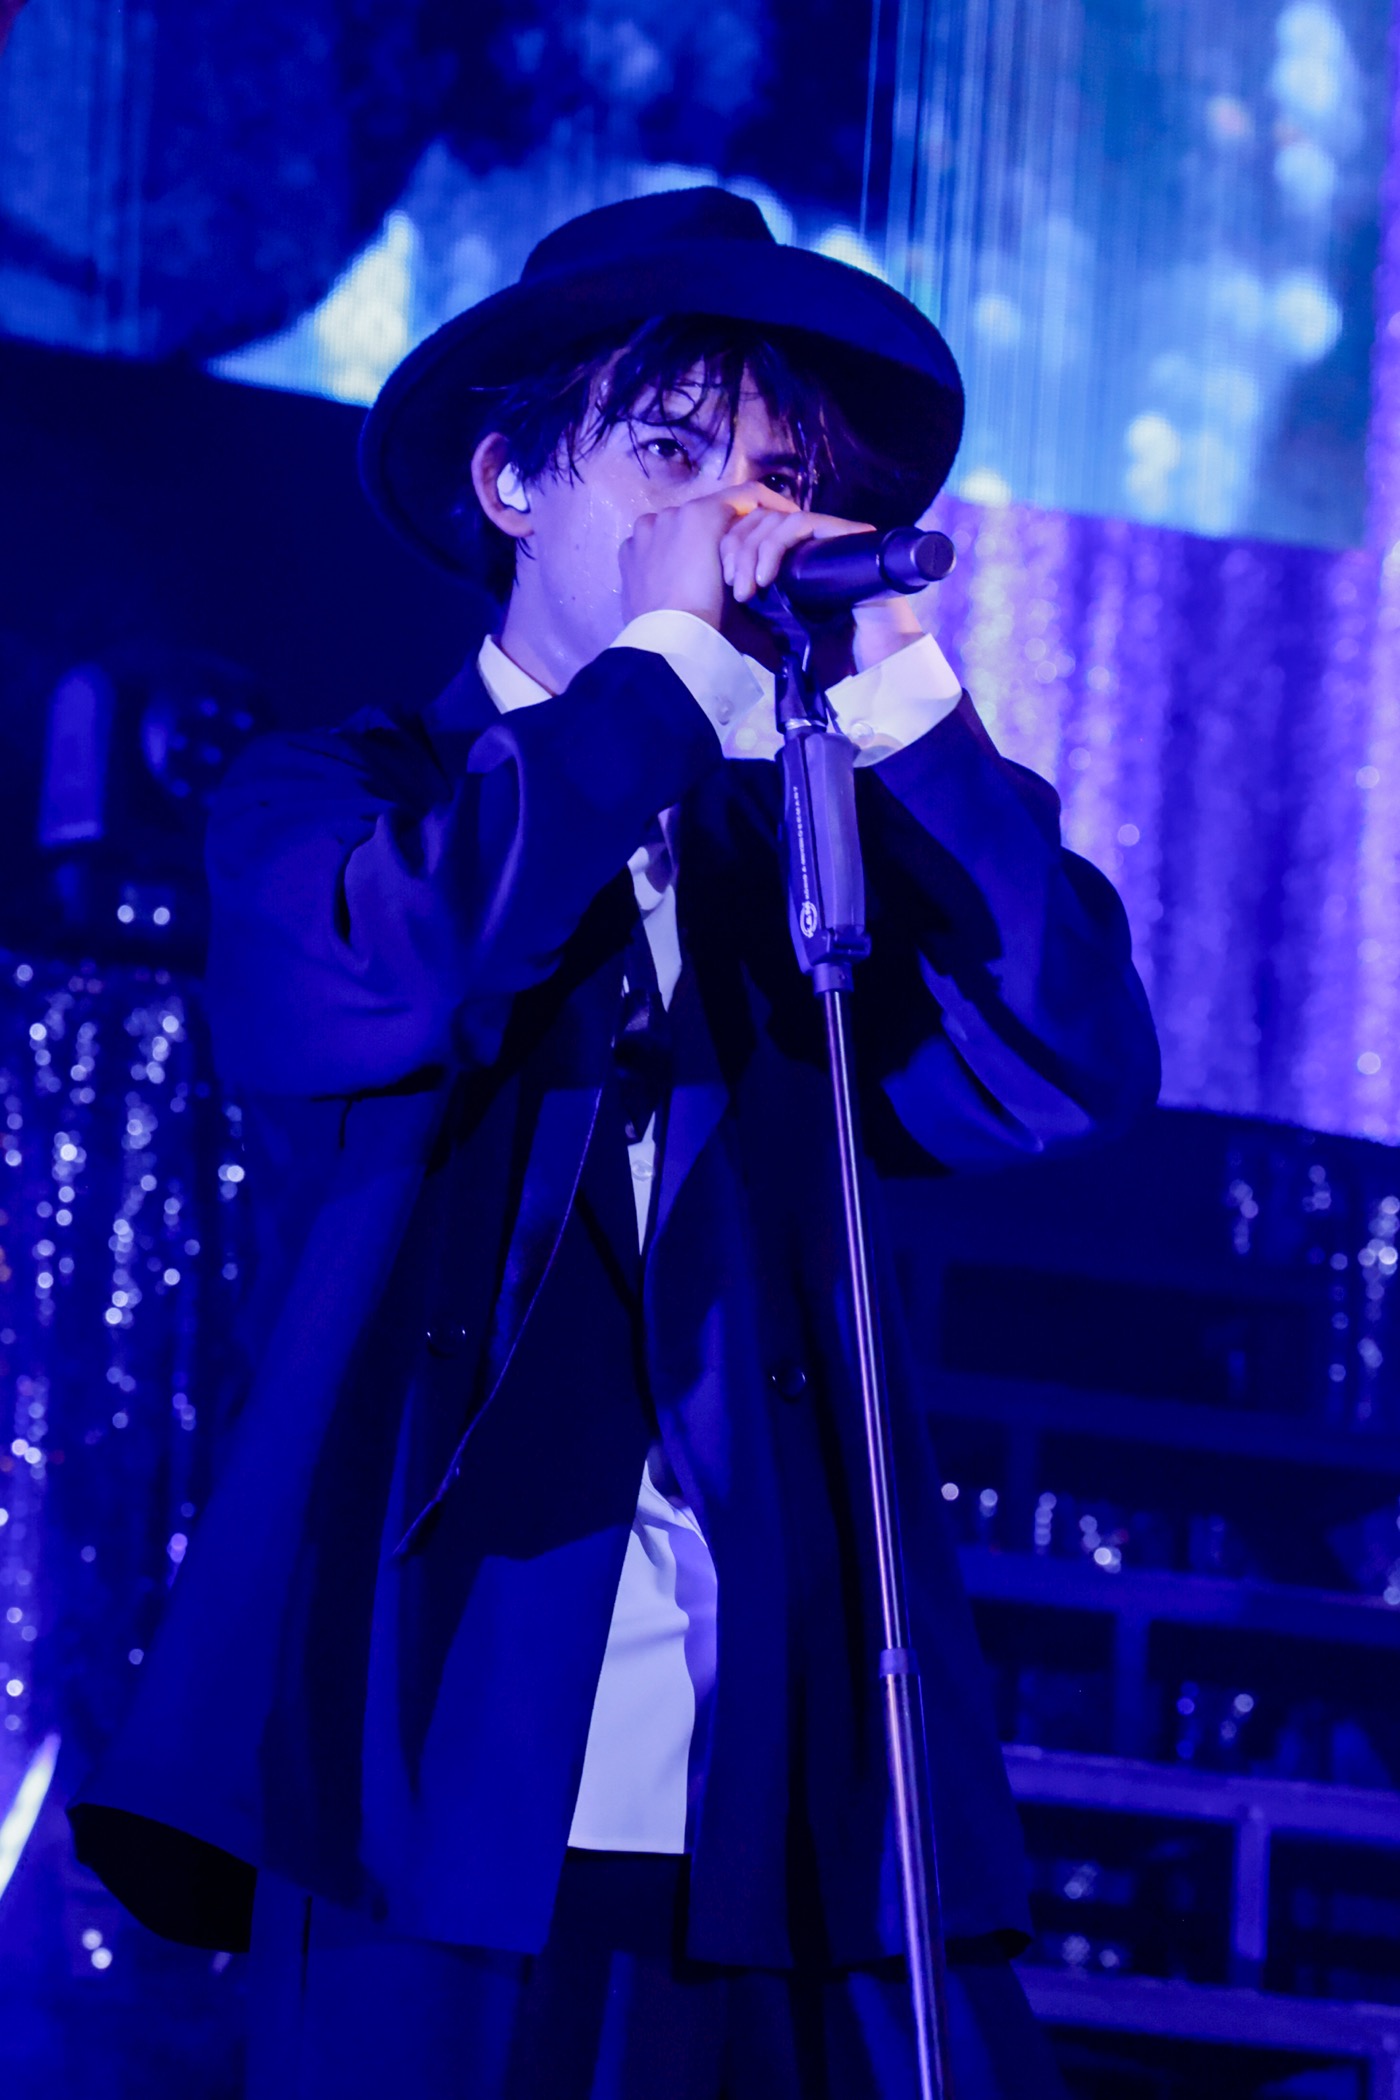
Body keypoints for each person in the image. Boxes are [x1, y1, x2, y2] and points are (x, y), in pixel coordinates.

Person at [71, 187, 1159, 2097]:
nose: (731, 518)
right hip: (431, 1766)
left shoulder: (800, 857)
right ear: (510, 483)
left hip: (783, 1784)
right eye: (669, 453)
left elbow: (1066, 1063)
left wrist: (909, 707)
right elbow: (414, 969)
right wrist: (653, 677)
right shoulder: (338, 800)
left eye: (777, 479)